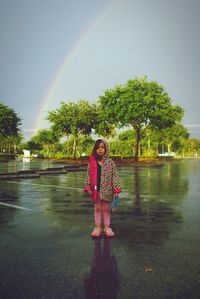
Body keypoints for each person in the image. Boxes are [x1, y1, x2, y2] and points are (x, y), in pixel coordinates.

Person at [84, 139, 122, 237]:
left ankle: (106, 227)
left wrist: (116, 189)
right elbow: (88, 175)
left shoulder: (110, 162)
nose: (100, 150)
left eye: (102, 147)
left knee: (106, 209)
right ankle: (97, 227)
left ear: (106, 149)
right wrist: (88, 187)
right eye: (97, 148)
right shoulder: (92, 162)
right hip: (95, 191)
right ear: (94, 149)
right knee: (97, 209)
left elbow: (115, 176)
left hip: (107, 190)